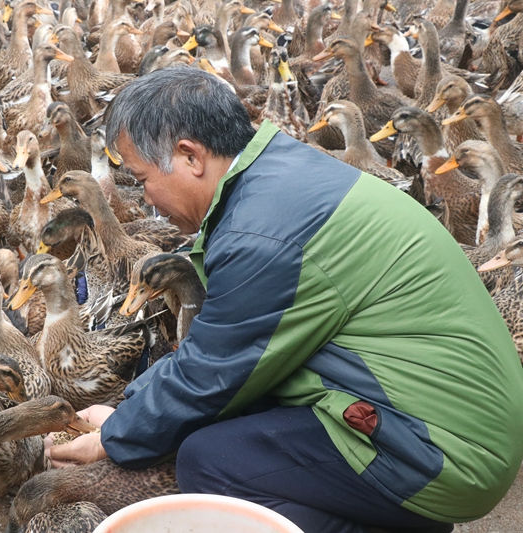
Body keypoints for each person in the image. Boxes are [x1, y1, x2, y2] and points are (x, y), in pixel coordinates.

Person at [44, 66, 523, 533]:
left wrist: (114, 436)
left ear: (190, 155)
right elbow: (225, 346)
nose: (146, 200)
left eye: (142, 177)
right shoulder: (282, 174)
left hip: (445, 450)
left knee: (211, 461)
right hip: (454, 418)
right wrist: (131, 405)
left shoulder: (263, 232)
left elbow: (215, 371)